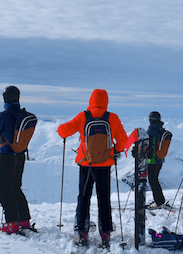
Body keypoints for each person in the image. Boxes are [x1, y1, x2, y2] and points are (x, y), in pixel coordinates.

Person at [57, 89, 128, 248]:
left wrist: (60, 128)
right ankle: (105, 233)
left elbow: (63, 131)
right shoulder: (112, 118)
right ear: (106, 101)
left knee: (84, 197)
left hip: (86, 164)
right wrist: (115, 150)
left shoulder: (83, 116)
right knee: (104, 199)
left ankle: (82, 231)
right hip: (105, 165)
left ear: (91, 100)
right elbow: (123, 141)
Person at [0, 86, 31, 234]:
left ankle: (12, 223)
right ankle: (24, 220)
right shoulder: (23, 115)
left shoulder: (3, 115)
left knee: (2, 189)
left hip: (6, 156)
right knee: (15, 188)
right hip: (20, 156)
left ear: (5, 98)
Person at [146, 111, 171, 209]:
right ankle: (159, 200)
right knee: (155, 179)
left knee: (152, 180)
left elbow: (149, 144)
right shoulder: (160, 129)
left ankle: (159, 201)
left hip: (152, 159)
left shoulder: (151, 130)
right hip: (160, 159)